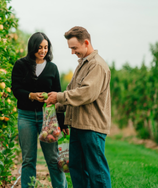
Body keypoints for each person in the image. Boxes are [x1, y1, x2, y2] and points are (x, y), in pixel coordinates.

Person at [45, 26, 112, 188]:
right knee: (76, 168)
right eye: (70, 48)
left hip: (91, 128)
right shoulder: (82, 65)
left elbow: (86, 93)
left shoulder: (97, 66)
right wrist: (53, 104)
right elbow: (71, 92)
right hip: (78, 126)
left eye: (74, 48)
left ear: (86, 43)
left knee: (97, 172)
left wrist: (58, 96)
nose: (72, 52)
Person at [11, 32, 68, 188]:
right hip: (26, 117)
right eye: (39, 47)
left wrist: (62, 124)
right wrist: (31, 96)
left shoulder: (52, 68)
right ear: (32, 47)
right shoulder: (21, 65)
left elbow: (58, 97)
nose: (43, 51)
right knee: (28, 159)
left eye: (46, 47)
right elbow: (16, 89)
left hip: (47, 117)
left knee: (53, 158)